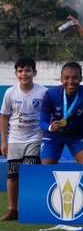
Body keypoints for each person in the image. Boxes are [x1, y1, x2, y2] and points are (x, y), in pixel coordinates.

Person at [0, 57, 47, 221]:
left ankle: (31, 208)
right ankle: (13, 210)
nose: (24, 74)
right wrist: (4, 141)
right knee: (13, 174)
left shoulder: (43, 92)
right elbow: (4, 117)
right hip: (14, 140)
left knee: (30, 172)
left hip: (35, 138)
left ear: (34, 72)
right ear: (16, 73)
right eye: (20, 71)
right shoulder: (10, 92)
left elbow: (47, 116)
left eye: (27, 70)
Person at [39, 62, 83, 165]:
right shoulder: (50, 94)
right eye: (66, 77)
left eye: (75, 78)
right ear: (61, 79)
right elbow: (43, 121)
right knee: (46, 168)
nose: (70, 81)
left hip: (77, 136)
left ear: (81, 78)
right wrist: (50, 127)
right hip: (54, 135)